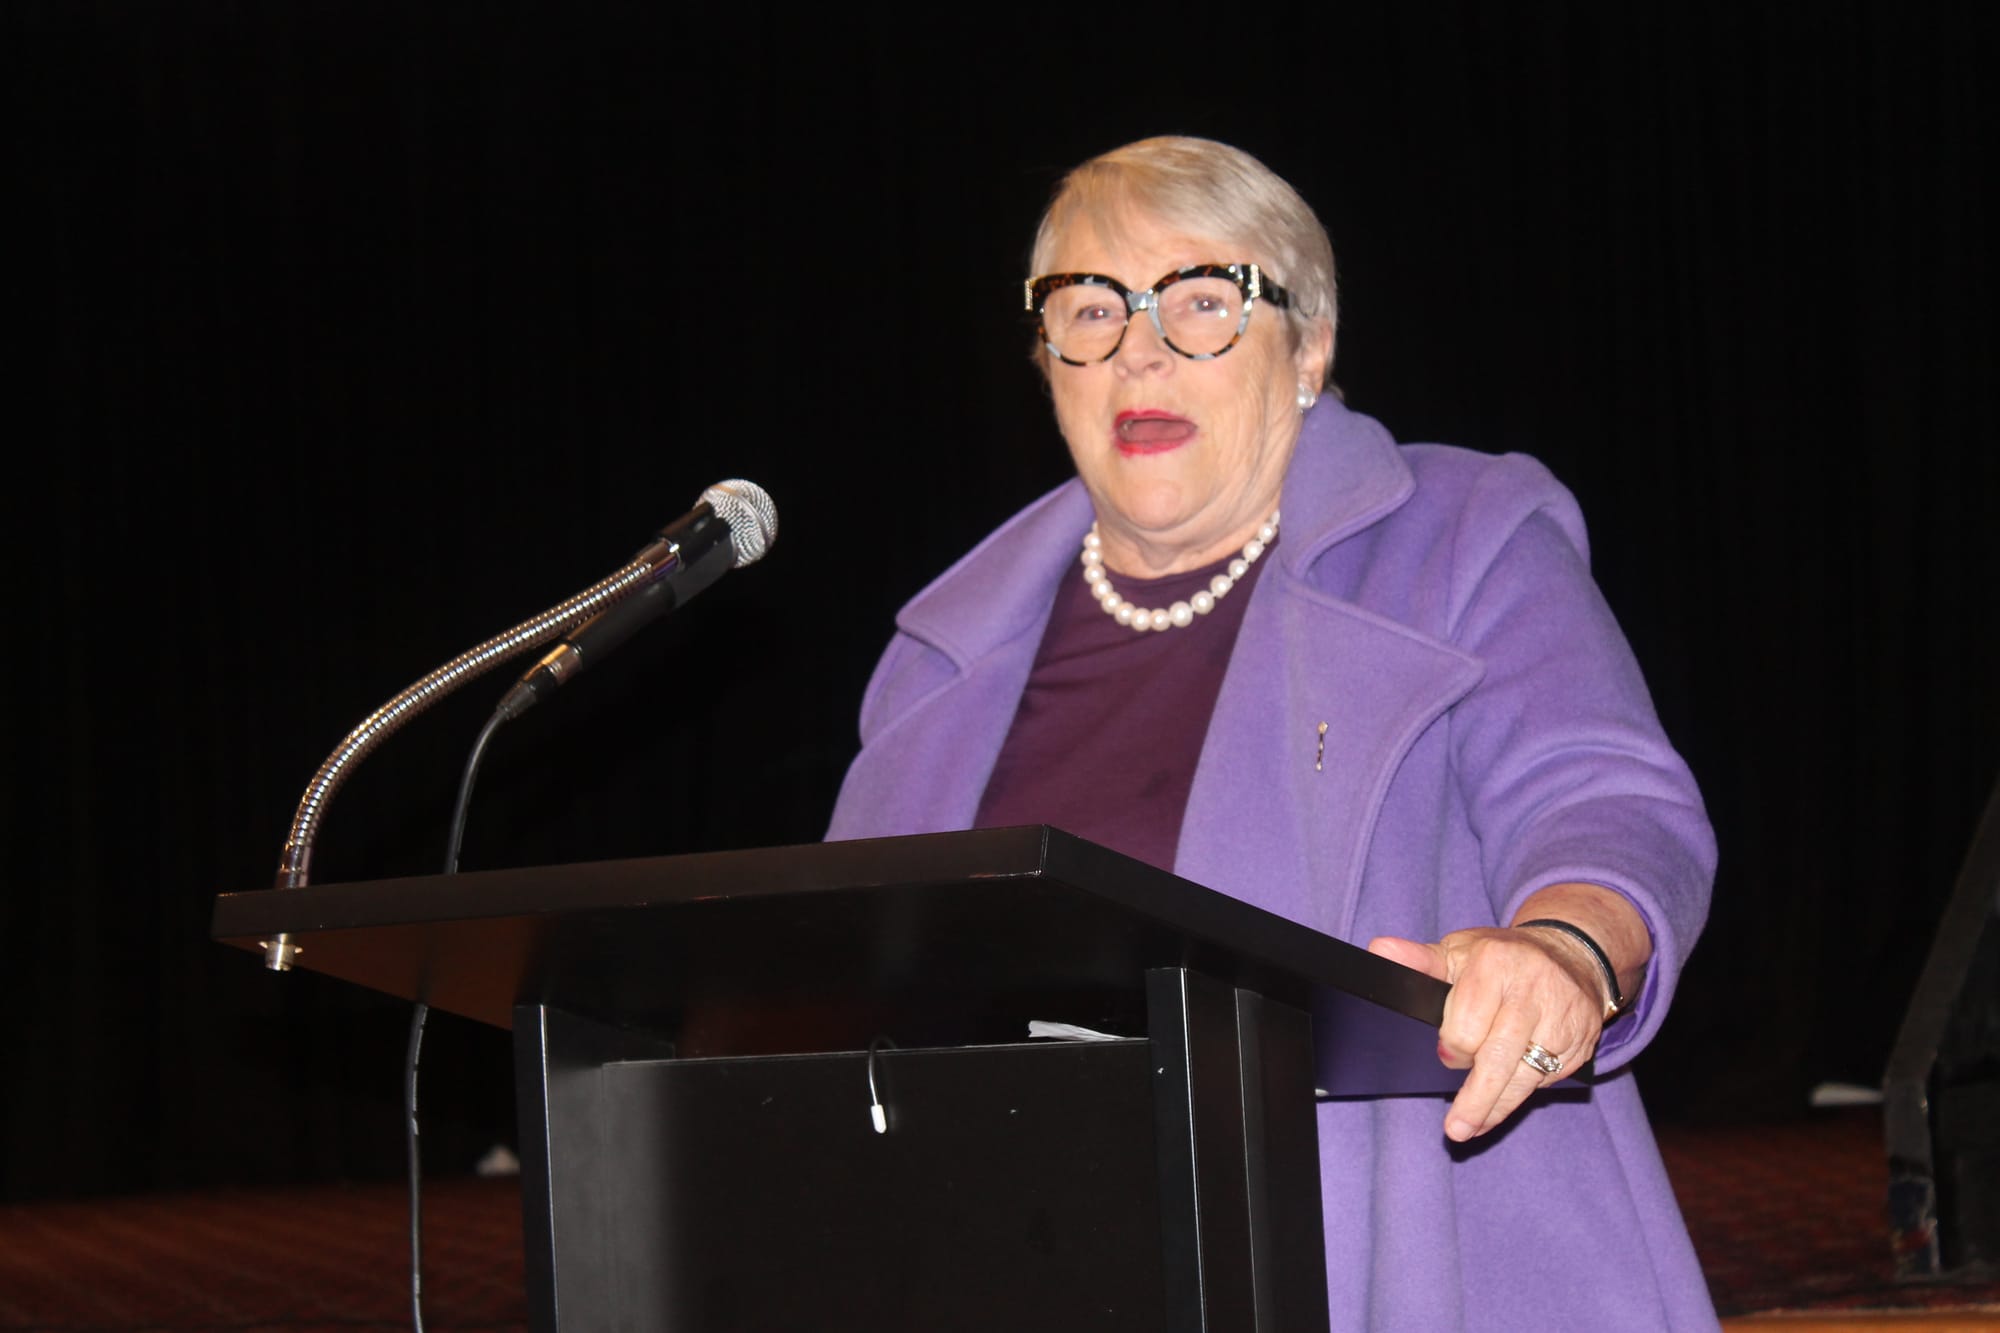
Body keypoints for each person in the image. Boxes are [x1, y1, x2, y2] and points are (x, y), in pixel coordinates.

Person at [828, 136, 1717, 1330]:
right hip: (1014, 1254)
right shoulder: (940, 655)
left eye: (1201, 300)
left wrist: (1563, 945)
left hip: (1383, 1249)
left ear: (1309, 347)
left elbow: (1603, 798)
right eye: (1088, 309)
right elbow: (840, 996)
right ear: (1046, 362)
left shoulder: (1461, 540)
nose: (1137, 349)